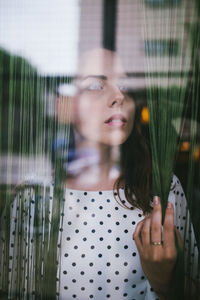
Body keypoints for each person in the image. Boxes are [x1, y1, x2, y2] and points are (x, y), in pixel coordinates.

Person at [0, 48, 198, 300]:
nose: (119, 95)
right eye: (95, 85)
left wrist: (167, 283)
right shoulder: (32, 197)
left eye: (125, 84)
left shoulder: (163, 191)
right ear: (68, 105)